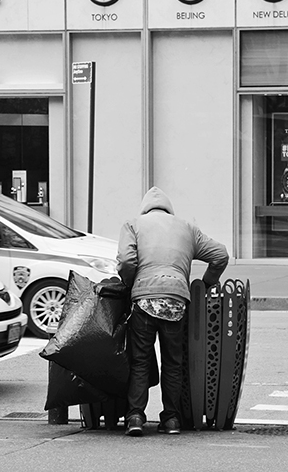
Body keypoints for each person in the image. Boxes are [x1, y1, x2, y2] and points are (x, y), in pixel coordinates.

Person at [117, 187, 229, 437]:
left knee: (140, 361)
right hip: (176, 300)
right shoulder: (186, 228)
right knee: (173, 363)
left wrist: (131, 283)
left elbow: (125, 261)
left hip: (144, 301)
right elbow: (220, 255)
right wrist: (206, 285)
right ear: (169, 209)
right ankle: (171, 420)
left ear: (145, 208)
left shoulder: (133, 224)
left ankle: (135, 416)